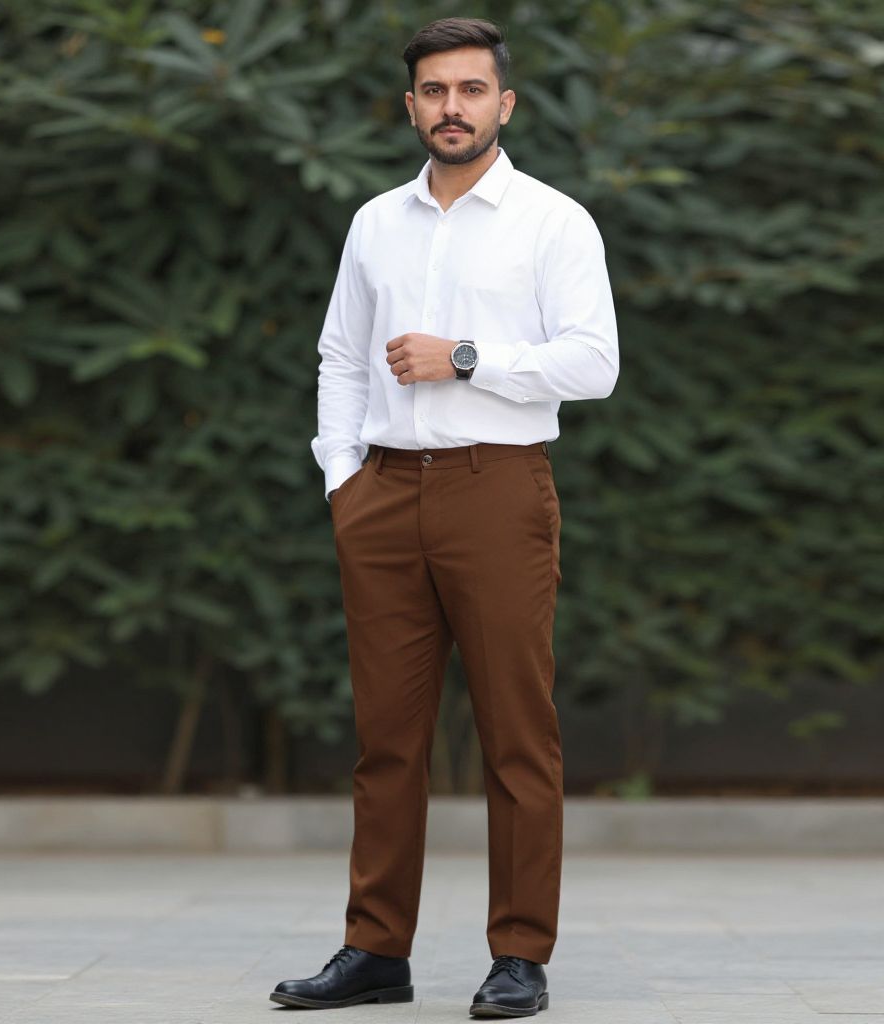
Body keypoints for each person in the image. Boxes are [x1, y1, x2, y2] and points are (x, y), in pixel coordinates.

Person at [270, 16, 618, 1019]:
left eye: (470, 90)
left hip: (497, 490)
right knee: (385, 739)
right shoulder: (376, 222)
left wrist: (465, 359)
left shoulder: (553, 221)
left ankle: (520, 955)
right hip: (382, 493)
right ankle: (375, 949)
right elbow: (341, 356)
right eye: (434, 91)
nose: (451, 107)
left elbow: (594, 363)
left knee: (517, 733)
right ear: (411, 105)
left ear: (504, 104)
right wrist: (343, 478)